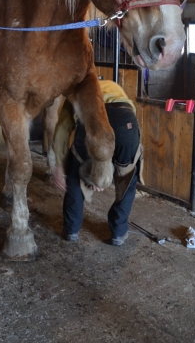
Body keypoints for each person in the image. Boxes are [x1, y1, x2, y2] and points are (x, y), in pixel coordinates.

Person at [52, 78, 144, 246]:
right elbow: (129, 114)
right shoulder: (114, 86)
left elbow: (63, 129)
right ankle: (118, 231)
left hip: (91, 121)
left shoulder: (75, 91)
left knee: (74, 174)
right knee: (128, 177)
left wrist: (58, 164)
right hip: (126, 120)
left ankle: (71, 230)